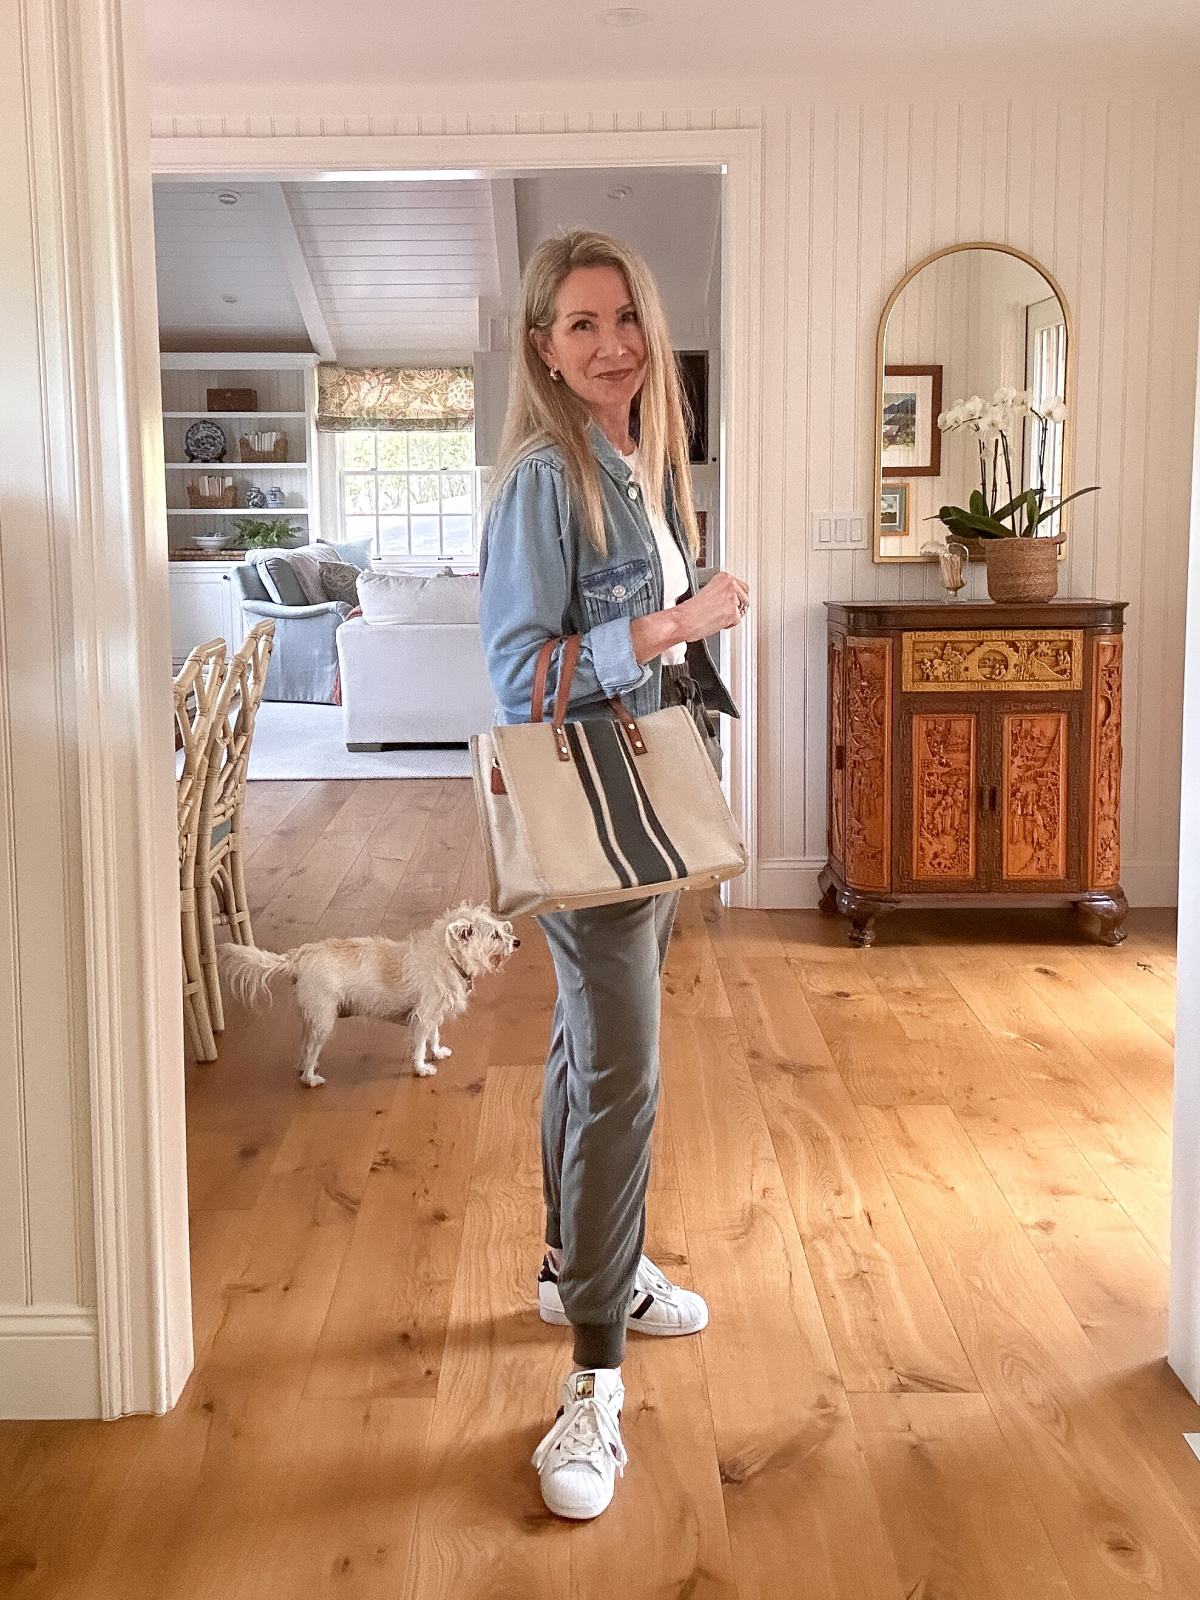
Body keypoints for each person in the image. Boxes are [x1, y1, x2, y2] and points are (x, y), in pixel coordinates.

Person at [478, 229, 749, 1521]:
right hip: (590, 814)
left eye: (624, 317)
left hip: (637, 808)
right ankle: (593, 1381)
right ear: (543, 346)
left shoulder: (637, 465)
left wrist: (683, 645)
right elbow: (520, 672)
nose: (609, 344)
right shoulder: (550, 477)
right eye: (579, 325)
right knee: (626, 1076)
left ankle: (578, 1265)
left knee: (585, 1057)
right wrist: (670, 625)